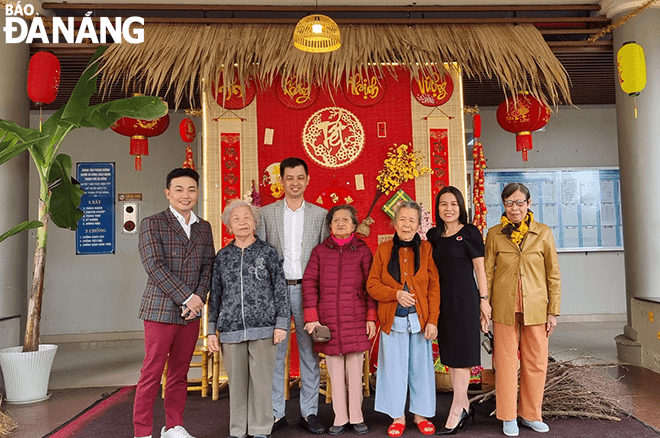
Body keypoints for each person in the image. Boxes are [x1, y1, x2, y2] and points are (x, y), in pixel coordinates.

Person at [133, 168, 215, 438]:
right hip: (160, 309)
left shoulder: (204, 227)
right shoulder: (152, 223)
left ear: (197, 193)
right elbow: (154, 266)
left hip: (191, 312)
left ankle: (174, 426)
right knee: (151, 373)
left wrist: (199, 298)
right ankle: (142, 432)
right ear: (168, 193)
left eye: (191, 189)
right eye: (179, 189)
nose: (185, 195)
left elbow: (208, 266)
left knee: (179, 373)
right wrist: (187, 296)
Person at [256, 157, 329, 435]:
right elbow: (260, 254)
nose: (295, 182)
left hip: (307, 289)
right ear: (281, 181)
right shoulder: (265, 213)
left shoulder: (320, 215)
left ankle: (309, 412)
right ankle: (276, 413)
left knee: (310, 352)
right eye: (289, 178)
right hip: (276, 291)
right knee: (275, 353)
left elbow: (323, 257)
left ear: (307, 180)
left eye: (300, 177)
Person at [207, 200, 290, 438]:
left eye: (247, 218)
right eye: (236, 219)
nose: (242, 222)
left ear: (255, 222)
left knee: (262, 384)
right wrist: (211, 330)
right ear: (228, 226)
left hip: (265, 328)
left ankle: (261, 429)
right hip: (231, 329)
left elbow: (280, 290)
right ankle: (237, 430)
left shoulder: (268, 251)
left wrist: (281, 324)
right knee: (237, 385)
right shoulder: (223, 256)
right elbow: (216, 294)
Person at [484, 182, 561, 437]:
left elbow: (553, 275)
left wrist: (553, 311)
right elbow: (486, 273)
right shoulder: (494, 234)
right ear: (503, 206)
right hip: (504, 307)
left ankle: (530, 414)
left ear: (528, 204)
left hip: (537, 308)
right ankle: (508, 416)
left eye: (519, 202)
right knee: (505, 363)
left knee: (536, 363)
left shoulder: (544, 233)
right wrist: (484, 305)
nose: (514, 208)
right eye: (509, 203)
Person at [301, 205, 377, 436]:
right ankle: (340, 417)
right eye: (336, 220)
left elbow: (370, 288)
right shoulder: (319, 252)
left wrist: (371, 317)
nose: (341, 223)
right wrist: (312, 317)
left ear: (354, 225)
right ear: (330, 226)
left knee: (354, 372)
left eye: (346, 220)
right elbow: (309, 284)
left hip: (355, 318)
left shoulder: (363, 251)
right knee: (334, 372)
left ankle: (357, 416)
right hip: (328, 321)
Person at [366, 201, 440, 437]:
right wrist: (395, 294)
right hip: (394, 321)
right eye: (402, 220)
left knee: (421, 369)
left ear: (419, 224)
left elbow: (434, 288)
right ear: (394, 223)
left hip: (420, 321)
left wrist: (433, 321)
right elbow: (372, 285)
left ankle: (420, 414)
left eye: (412, 220)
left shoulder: (427, 249)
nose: (407, 225)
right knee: (394, 369)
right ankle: (397, 415)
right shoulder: (384, 249)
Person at [426, 186, 491, 435]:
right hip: (441, 303)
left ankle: (456, 411)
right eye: (443, 204)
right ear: (437, 208)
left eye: (453, 204)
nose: (448, 209)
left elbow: (480, 270)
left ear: (460, 206)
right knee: (451, 358)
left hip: (465, 301)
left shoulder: (470, 232)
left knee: (462, 358)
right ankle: (464, 405)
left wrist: (484, 301)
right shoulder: (433, 235)